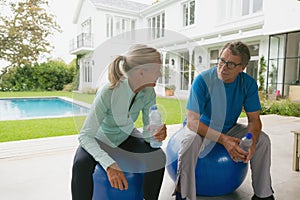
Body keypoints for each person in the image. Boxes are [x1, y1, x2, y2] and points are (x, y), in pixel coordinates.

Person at [174, 41, 274, 200]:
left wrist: (252, 142)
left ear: (242, 67)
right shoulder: (203, 80)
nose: (223, 67)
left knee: (263, 139)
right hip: (201, 128)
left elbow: (254, 120)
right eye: (221, 60)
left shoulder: (247, 83)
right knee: (189, 142)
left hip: (229, 127)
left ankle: (263, 195)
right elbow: (192, 121)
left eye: (230, 64)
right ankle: (184, 195)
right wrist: (223, 140)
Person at [71, 44, 167, 200]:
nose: (160, 74)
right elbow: (85, 135)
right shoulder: (108, 92)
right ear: (141, 72)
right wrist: (109, 164)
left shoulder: (149, 92)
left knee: (158, 157)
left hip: (126, 136)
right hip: (100, 138)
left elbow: (149, 135)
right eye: (157, 70)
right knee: (81, 164)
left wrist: (156, 135)